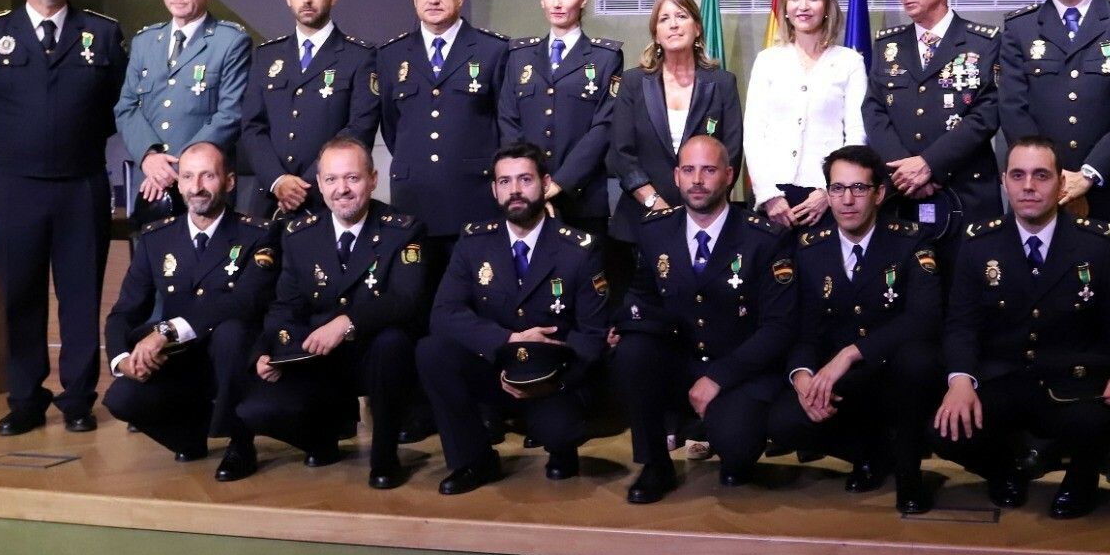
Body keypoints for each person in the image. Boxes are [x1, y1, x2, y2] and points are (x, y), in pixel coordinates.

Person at [998, 0, 1110, 488]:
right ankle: (1045, 435)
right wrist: (1045, 177)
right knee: (1040, 314)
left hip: (1105, 195)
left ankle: (1109, 440)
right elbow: (1012, 112)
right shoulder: (1017, 31)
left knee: (1107, 315)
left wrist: (1086, 175)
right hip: (1037, 200)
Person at [0, 0, 127, 436]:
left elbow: (116, 106)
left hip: (81, 185)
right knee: (21, 295)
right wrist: (15, 143)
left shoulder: (102, 33)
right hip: (15, 185)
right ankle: (26, 398)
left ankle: (77, 399)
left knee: (80, 296)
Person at [934, 137, 1110, 519]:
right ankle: (1004, 472)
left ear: (1061, 185)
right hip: (1005, 378)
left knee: (1101, 421)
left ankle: (1081, 480)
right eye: (1018, 175)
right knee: (945, 429)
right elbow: (961, 324)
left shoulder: (1098, 243)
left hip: (1072, 382)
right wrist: (960, 378)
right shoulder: (979, 243)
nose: (1028, 185)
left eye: (1041, 175)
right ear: (1004, 182)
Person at [236, 137, 428, 490]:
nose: (343, 189)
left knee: (393, 342)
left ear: (372, 179)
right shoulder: (299, 236)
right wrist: (269, 350)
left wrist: (347, 322)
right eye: (332, 180)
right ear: (321, 185)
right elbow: (286, 306)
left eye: (353, 178)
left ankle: (384, 456)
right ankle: (320, 440)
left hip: (376, 358)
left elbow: (406, 299)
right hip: (319, 358)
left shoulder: (402, 229)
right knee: (255, 410)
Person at [418, 142, 609, 494]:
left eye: (525, 179)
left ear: (545, 183)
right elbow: (444, 314)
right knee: (433, 352)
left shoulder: (579, 248)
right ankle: (473, 460)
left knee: (561, 431)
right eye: (505, 182)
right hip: (495, 370)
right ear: (494, 189)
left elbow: (592, 334)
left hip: (553, 378)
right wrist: (507, 342)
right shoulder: (474, 242)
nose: (515, 190)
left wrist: (550, 376)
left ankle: (561, 449)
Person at [613, 135, 796, 504]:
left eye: (708, 170)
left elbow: (779, 328)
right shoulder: (655, 231)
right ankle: (655, 465)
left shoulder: (764, 238)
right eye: (689, 170)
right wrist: (625, 325)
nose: (697, 180)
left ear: (729, 176)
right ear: (676, 176)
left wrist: (719, 377)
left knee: (737, 451)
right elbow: (641, 295)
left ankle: (721, 430)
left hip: (738, 367)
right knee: (632, 351)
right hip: (680, 359)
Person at [767, 145, 941, 514]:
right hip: (844, 381)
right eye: (837, 188)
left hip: (893, 370)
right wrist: (801, 376)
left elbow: (923, 318)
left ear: (879, 194)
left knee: (917, 361)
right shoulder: (810, 249)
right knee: (784, 422)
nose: (847, 200)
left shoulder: (911, 240)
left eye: (859, 189)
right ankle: (870, 455)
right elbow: (803, 329)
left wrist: (850, 353)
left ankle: (909, 473)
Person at [101, 142, 278, 481]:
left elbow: (245, 301)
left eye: (208, 176)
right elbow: (123, 312)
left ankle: (241, 443)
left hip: (235, 362)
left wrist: (166, 331)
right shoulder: (157, 239)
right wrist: (121, 358)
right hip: (182, 363)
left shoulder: (259, 235)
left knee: (231, 331)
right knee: (121, 398)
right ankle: (188, 437)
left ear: (228, 182)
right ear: (178, 183)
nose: (196, 187)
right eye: (188, 177)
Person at [862, 0, 1001, 267]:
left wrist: (930, 164)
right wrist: (904, 169)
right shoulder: (888, 45)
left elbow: (987, 112)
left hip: (967, 194)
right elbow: (873, 109)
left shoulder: (984, 42)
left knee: (970, 297)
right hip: (902, 196)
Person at [375, 0, 508, 282]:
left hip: (473, 200)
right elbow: (393, 127)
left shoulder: (493, 51)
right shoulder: (391, 55)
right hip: (414, 200)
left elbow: (506, 126)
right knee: (414, 301)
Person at [114, 0, 251, 225]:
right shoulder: (145, 41)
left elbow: (231, 114)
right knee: (152, 264)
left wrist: (181, 167)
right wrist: (149, 157)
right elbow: (126, 107)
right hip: (150, 182)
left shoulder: (230, 41)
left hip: (204, 184)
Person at [239, 0, 379, 221]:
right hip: (270, 198)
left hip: (327, 199)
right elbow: (252, 126)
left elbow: (361, 127)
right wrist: (277, 180)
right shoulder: (267, 55)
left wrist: (308, 183)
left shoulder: (359, 56)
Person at [608, 0, 743, 250]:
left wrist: (700, 207)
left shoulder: (722, 83)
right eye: (664, 19)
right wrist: (654, 203)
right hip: (640, 221)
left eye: (681, 16)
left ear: (697, 28)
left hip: (705, 220)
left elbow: (732, 152)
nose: (673, 25)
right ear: (656, 35)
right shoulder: (634, 82)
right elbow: (621, 153)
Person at [497, 0, 623, 244]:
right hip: (526, 201)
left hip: (583, 199)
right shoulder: (520, 56)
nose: (557, 3)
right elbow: (508, 121)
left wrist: (557, 184)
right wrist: (529, 183)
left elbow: (603, 128)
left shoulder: (605, 57)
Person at [744, 0, 867, 229]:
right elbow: (753, 133)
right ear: (785, 8)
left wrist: (828, 191)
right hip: (772, 197)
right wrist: (768, 195)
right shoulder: (767, 60)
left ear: (827, 6)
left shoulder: (849, 62)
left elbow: (856, 136)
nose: (803, 6)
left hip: (826, 198)